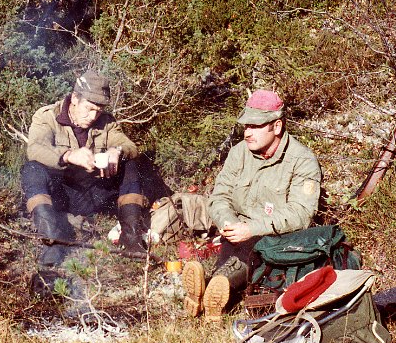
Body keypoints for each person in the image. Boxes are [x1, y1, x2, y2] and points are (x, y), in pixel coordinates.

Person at [182, 90, 321, 321]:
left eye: (255, 126)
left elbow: (301, 213)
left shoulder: (302, 160)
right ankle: (215, 290)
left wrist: (253, 228)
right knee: (236, 250)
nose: (247, 133)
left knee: (253, 250)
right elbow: (220, 196)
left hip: (275, 239)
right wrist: (228, 222)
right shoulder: (239, 154)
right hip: (237, 234)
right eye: (246, 126)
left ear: (276, 127)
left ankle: (213, 287)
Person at [21, 69, 167, 267]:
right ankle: (52, 242)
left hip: (95, 193)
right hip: (61, 193)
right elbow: (36, 149)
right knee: (32, 170)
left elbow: (130, 146)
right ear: (74, 99)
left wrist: (116, 151)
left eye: (98, 110)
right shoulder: (47, 116)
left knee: (131, 164)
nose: (93, 116)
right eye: (89, 108)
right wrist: (68, 156)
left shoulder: (106, 122)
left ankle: (131, 238)